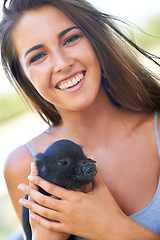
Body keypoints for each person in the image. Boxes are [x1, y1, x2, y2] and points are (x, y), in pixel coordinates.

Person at [1, 0, 160, 239]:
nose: (62, 63)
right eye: (38, 56)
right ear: (24, 76)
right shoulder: (24, 165)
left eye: (70, 39)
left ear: (96, 38)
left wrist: (112, 227)